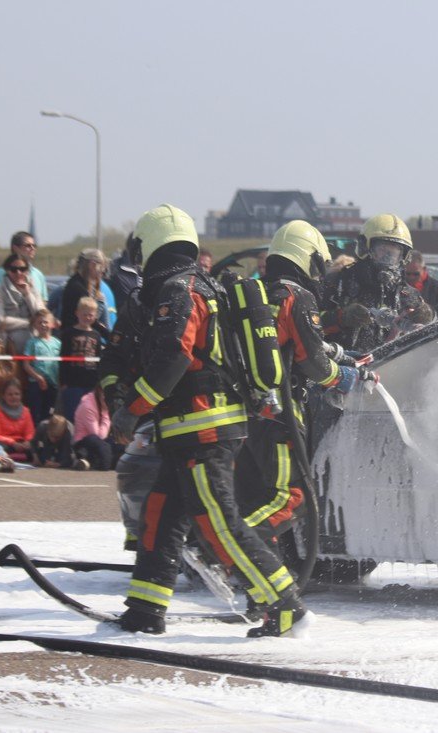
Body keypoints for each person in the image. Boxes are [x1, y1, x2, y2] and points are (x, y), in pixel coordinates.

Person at [108, 203, 307, 638]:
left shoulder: (182, 289)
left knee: (219, 521)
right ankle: (145, 608)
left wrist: (130, 410)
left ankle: (284, 602)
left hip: (204, 425)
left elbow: (175, 357)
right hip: (184, 427)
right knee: (160, 518)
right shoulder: (180, 286)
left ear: (152, 245)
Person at [237, 220, 376, 567]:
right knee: (293, 498)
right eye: (318, 263)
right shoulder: (297, 297)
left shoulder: (258, 295)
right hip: (281, 415)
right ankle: (227, 551)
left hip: (247, 416)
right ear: (306, 257)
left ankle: (265, 574)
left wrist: (339, 344)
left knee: (256, 497)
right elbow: (313, 363)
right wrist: (346, 378)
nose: (319, 272)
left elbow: (298, 342)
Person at [319, 214, 433, 352]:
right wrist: (341, 317)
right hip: (345, 366)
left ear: (404, 257)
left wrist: (426, 314)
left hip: (390, 366)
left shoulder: (407, 293)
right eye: (382, 250)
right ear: (365, 248)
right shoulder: (338, 283)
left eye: (394, 253)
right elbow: (310, 323)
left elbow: (431, 331)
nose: (388, 258)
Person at [0, 253, 44, 354]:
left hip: (32, 347)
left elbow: (41, 315)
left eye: (22, 269)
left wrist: (28, 294)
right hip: (6, 348)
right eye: (14, 269)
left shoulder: (33, 290)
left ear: (27, 270)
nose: (18, 273)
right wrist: (29, 323)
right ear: (7, 270)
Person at [58, 297, 103, 422]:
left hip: (91, 383)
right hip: (73, 383)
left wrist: (98, 383)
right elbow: (63, 358)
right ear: (77, 313)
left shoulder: (96, 335)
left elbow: (99, 360)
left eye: (90, 315)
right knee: (72, 416)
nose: (87, 317)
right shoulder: (68, 333)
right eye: (84, 314)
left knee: (90, 416)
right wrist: (63, 382)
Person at [0, 231, 48, 311]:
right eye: (28, 245)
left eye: (34, 245)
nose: (32, 248)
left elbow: (43, 305)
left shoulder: (38, 274)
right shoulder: (1, 273)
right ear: (15, 248)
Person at [59, 249, 110, 336]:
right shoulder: (78, 288)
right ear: (92, 265)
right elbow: (89, 318)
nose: (101, 274)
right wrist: (110, 337)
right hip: (75, 337)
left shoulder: (76, 282)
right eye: (102, 270)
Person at [22, 309, 60, 423]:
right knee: (35, 412)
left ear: (52, 324)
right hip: (36, 383)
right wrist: (38, 377)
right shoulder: (32, 343)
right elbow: (26, 364)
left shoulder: (58, 343)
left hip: (53, 383)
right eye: (40, 322)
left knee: (49, 412)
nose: (43, 325)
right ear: (35, 325)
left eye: (46, 322)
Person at [0, 378, 35, 462]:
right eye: (10, 394)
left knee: (34, 447)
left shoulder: (26, 411)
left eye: (17, 394)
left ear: (21, 395)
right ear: (3, 396)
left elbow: (30, 433)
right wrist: (13, 443)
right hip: (5, 444)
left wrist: (27, 442)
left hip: (21, 444)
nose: (14, 397)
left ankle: (9, 458)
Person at [73, 384, 113, 470]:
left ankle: (88, 463)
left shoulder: (99, 402)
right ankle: (84, 459)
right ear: (100, 392)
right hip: (83, 443)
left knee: (117, 443)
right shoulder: (87, 406)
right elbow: (100, 436)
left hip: (99, 442)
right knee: (94, 439)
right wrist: (106, 413)